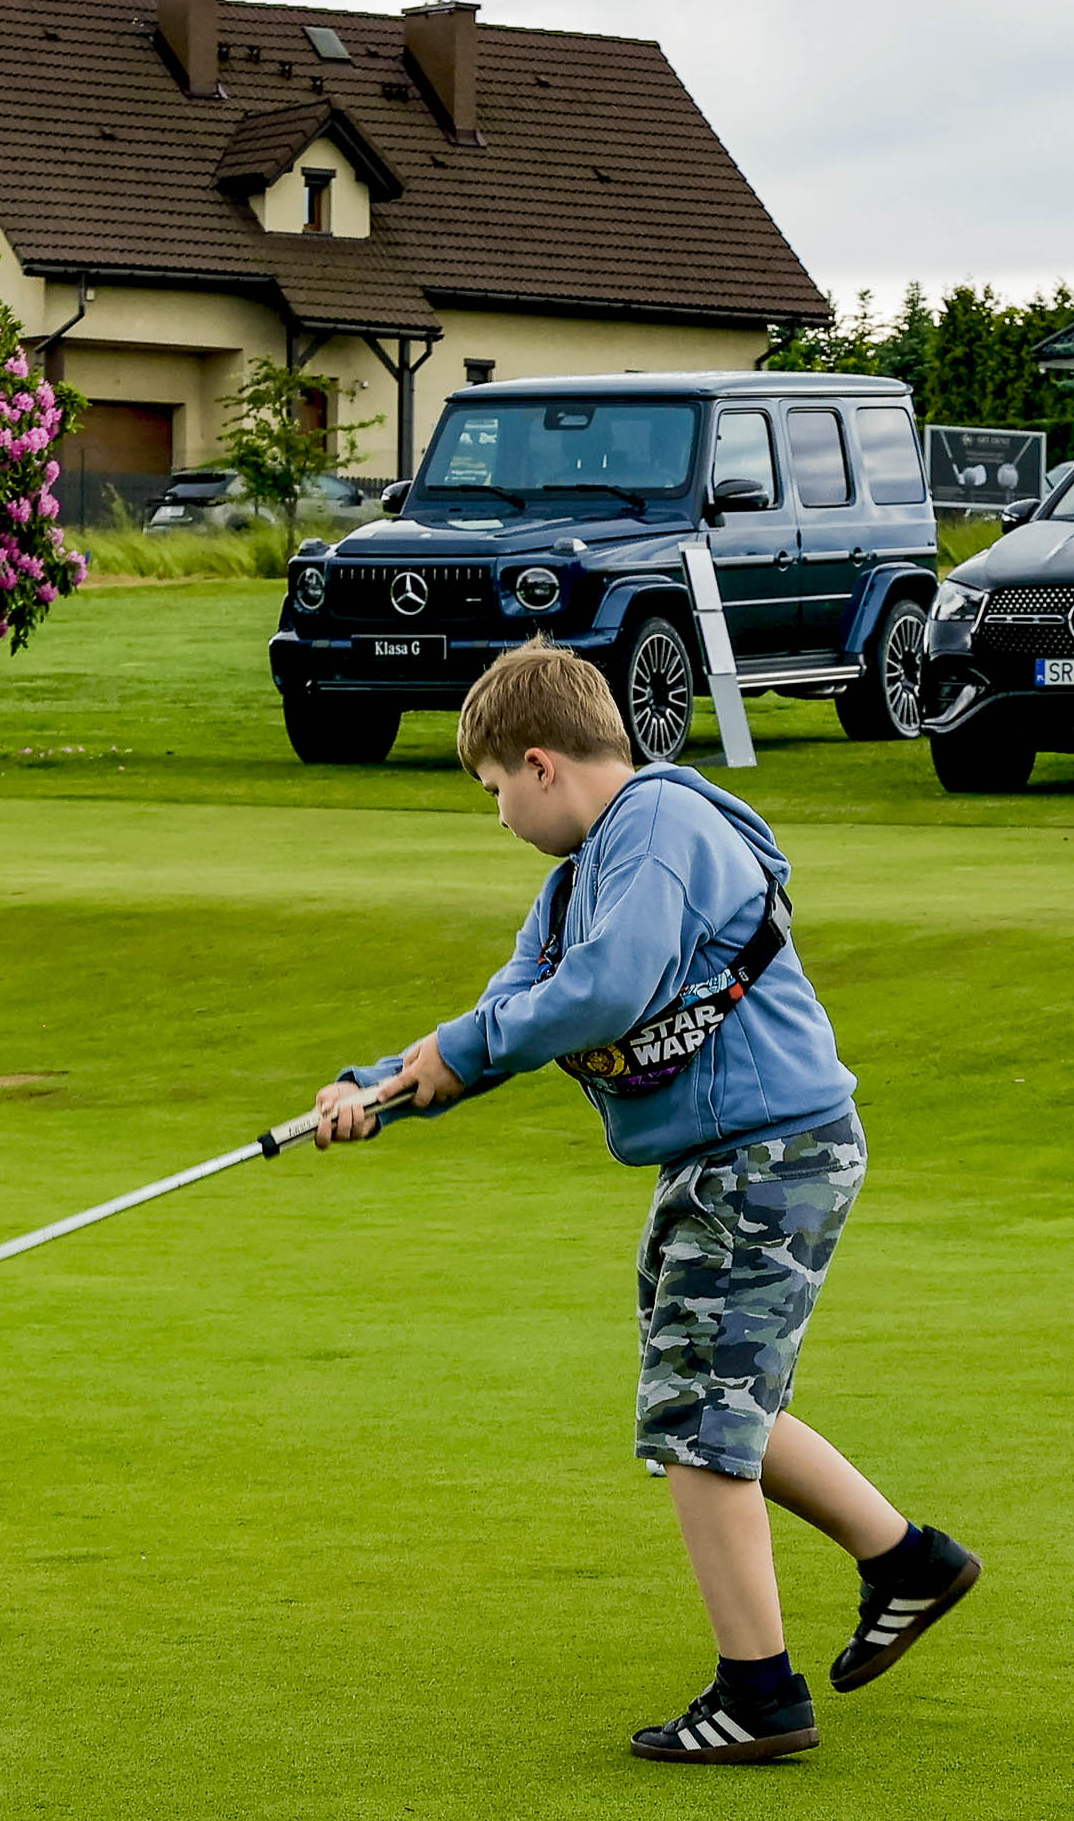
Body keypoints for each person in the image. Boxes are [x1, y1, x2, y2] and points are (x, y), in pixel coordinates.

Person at [315, 640, 979, 1763]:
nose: (499, 818)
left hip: (769, 1152)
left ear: (540, 765)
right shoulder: (574, 881)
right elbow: (508, 1015)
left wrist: (462, 1047)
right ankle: (906, 1560)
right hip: (726, 1159)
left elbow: (607, 989)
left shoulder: (664, 831)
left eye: (492, 794)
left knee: (694, 1418)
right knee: (715, 1395)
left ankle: (760, 1693)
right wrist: (381, 1086)